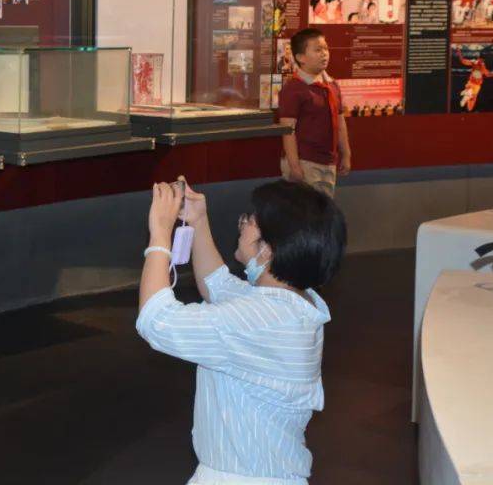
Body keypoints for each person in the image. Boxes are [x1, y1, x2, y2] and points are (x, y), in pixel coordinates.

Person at [137, 178, 347, 484]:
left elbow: (156, 320)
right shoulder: (295, 305)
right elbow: (218, 286)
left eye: (251, 220)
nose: (243, 223)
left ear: (269, 249)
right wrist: (198, 221)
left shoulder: (261, 320)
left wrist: (159, 235)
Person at [277, 28, 351, 198]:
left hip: (328, 162)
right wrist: (294, 166)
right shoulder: (293, 88)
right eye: (317, 50)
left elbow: (340, 122)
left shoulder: (332, 85)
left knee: (324, 210)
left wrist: (346, 153)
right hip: (305, 162)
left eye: (325, 48)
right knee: (303, 210)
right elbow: (287, 130)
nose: (324, 54)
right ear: (300, 57)